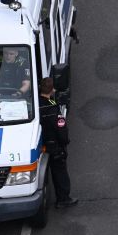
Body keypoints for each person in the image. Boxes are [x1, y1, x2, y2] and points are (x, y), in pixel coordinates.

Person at [39, 77, 77, 208]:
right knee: (60, 172)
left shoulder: (37, 103)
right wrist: (65, 142)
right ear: (52, 90)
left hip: (42, 144)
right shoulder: (52, 108)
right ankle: (63, 199)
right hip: (54, 145)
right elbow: (61, 128)